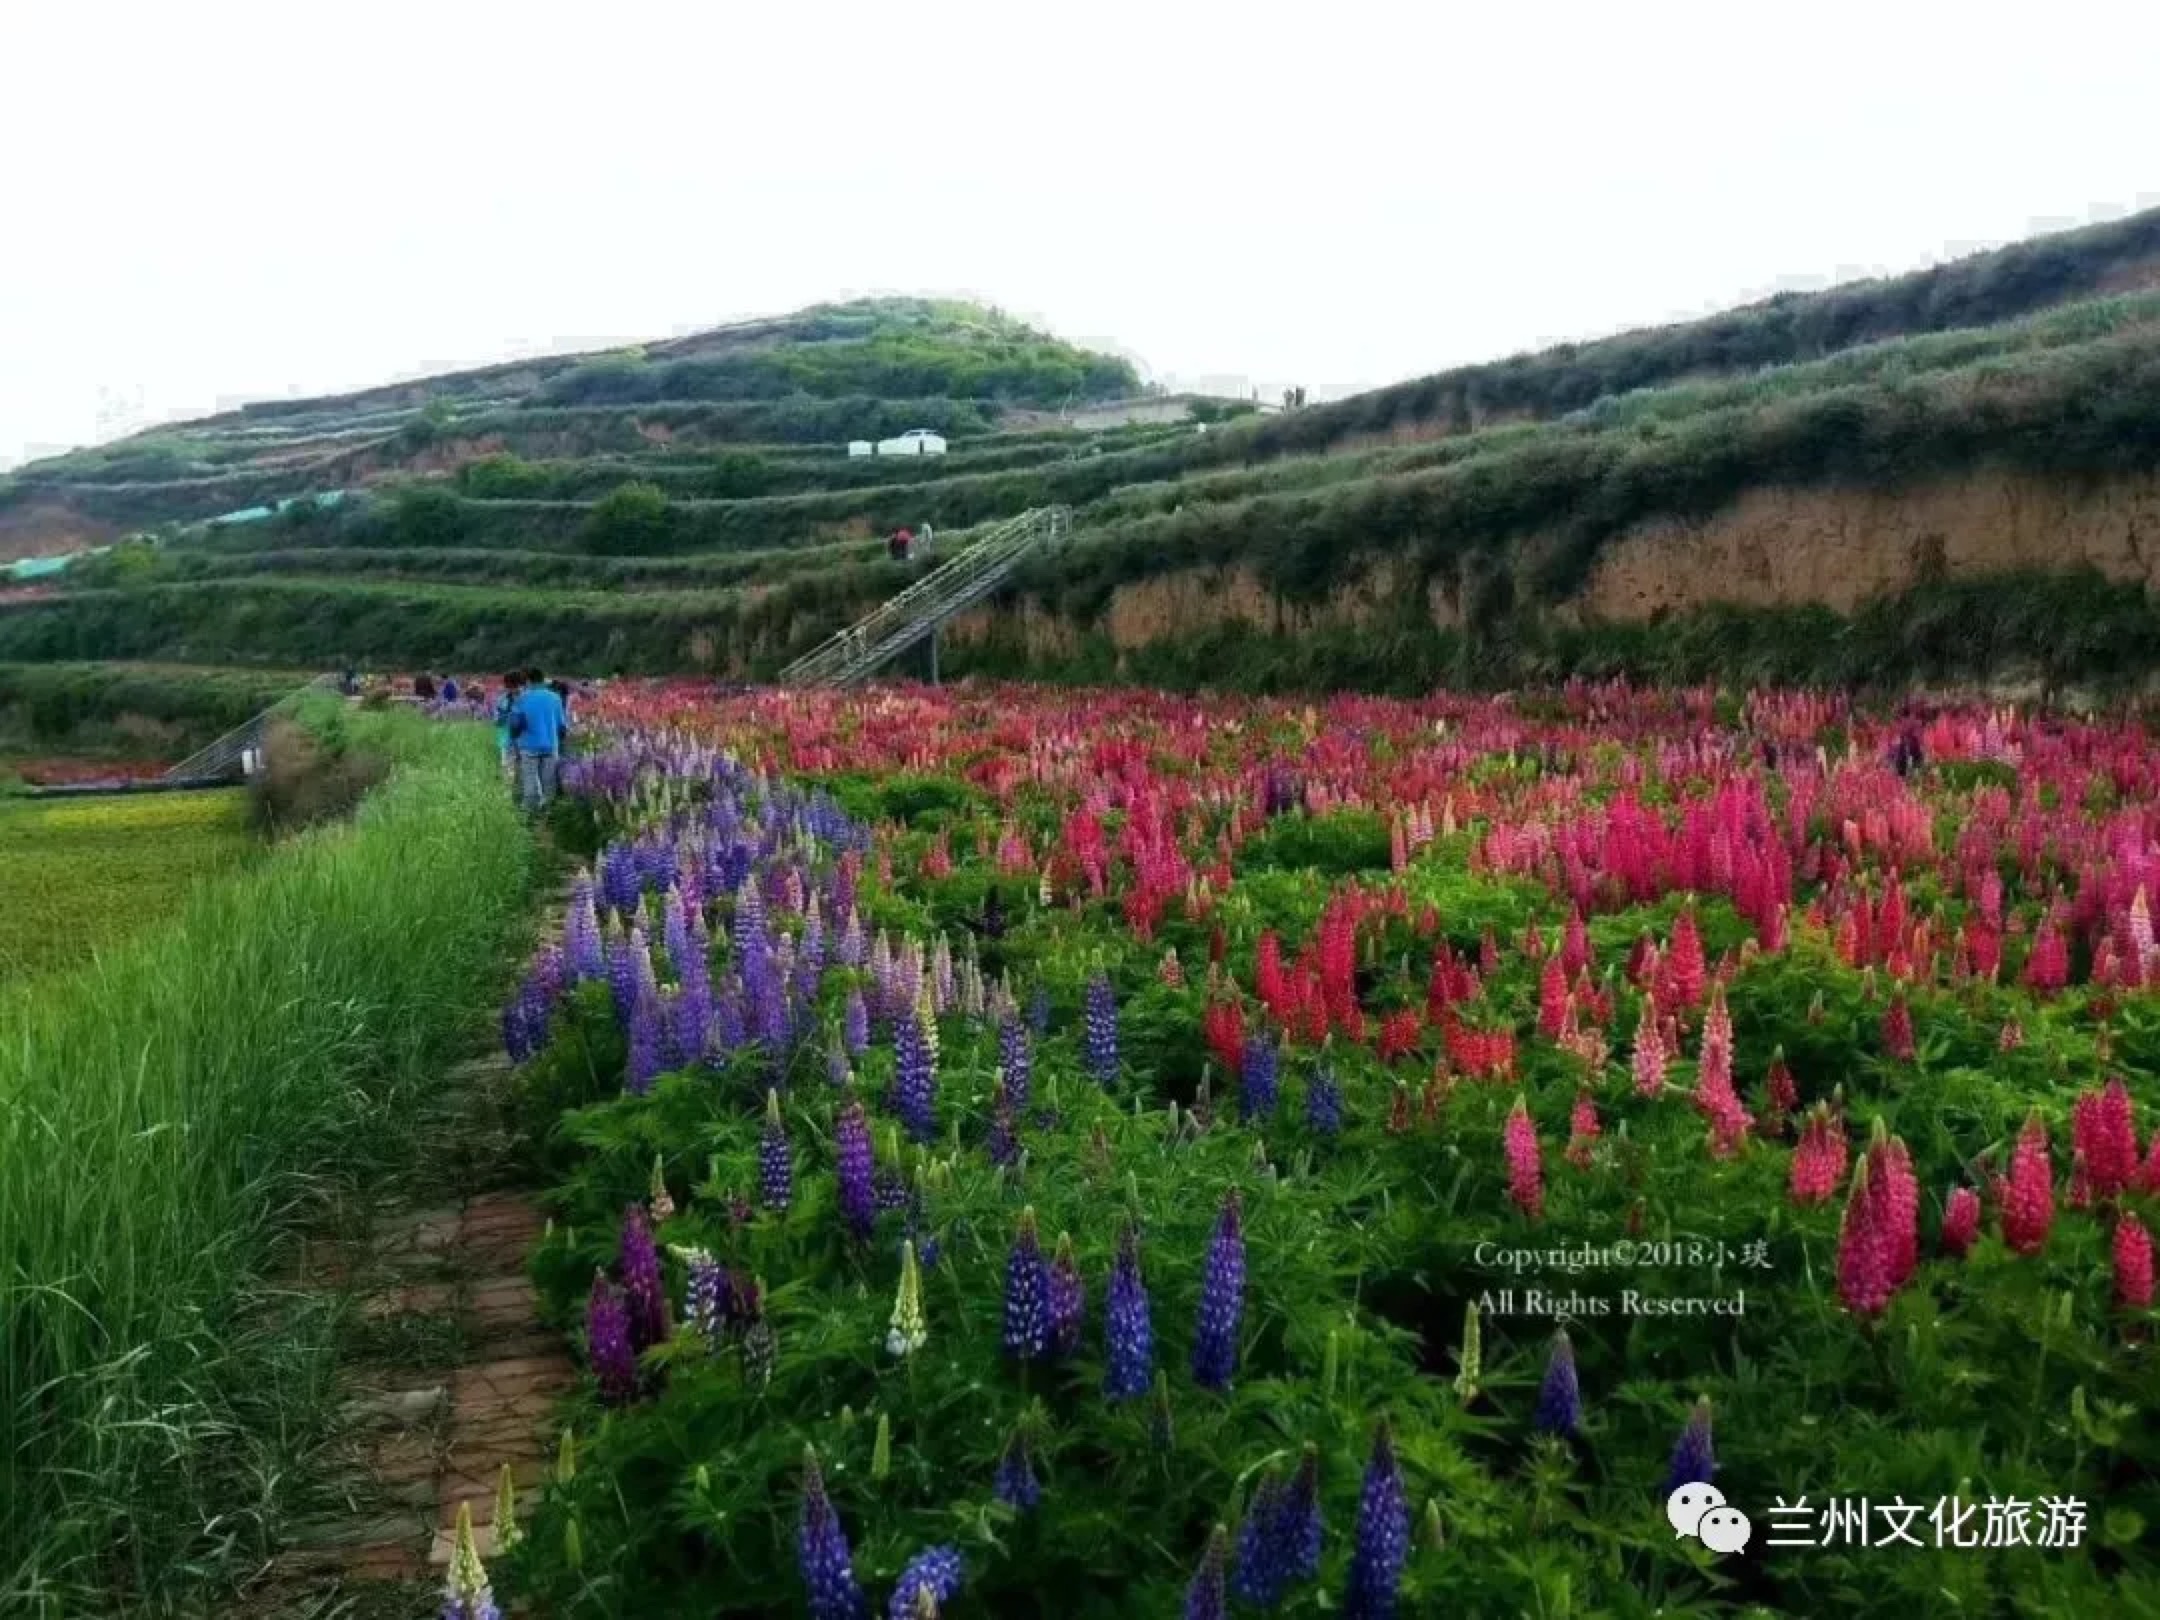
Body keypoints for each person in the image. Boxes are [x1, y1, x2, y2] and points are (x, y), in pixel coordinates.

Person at [509, 668, 568, 813]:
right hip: (550, 746)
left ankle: (530, 816)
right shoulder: (555, 698)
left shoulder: (521, 699)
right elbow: (562, 727)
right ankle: (548, 815)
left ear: (528, 680)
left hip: (529, 746)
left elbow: (515, 725)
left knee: (530, 783)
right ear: (543, 679)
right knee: (549, 783)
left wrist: (514, 741)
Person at [493, 671, 525, 781]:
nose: (512, 689)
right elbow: (497, 721)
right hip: (506, 737)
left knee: (523, 766)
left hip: (524, 738)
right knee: (507, 765)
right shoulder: (503, 699)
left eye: (515, 686)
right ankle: (508, 788)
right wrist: (504, 717)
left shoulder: (527, 698)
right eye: (509, 686)